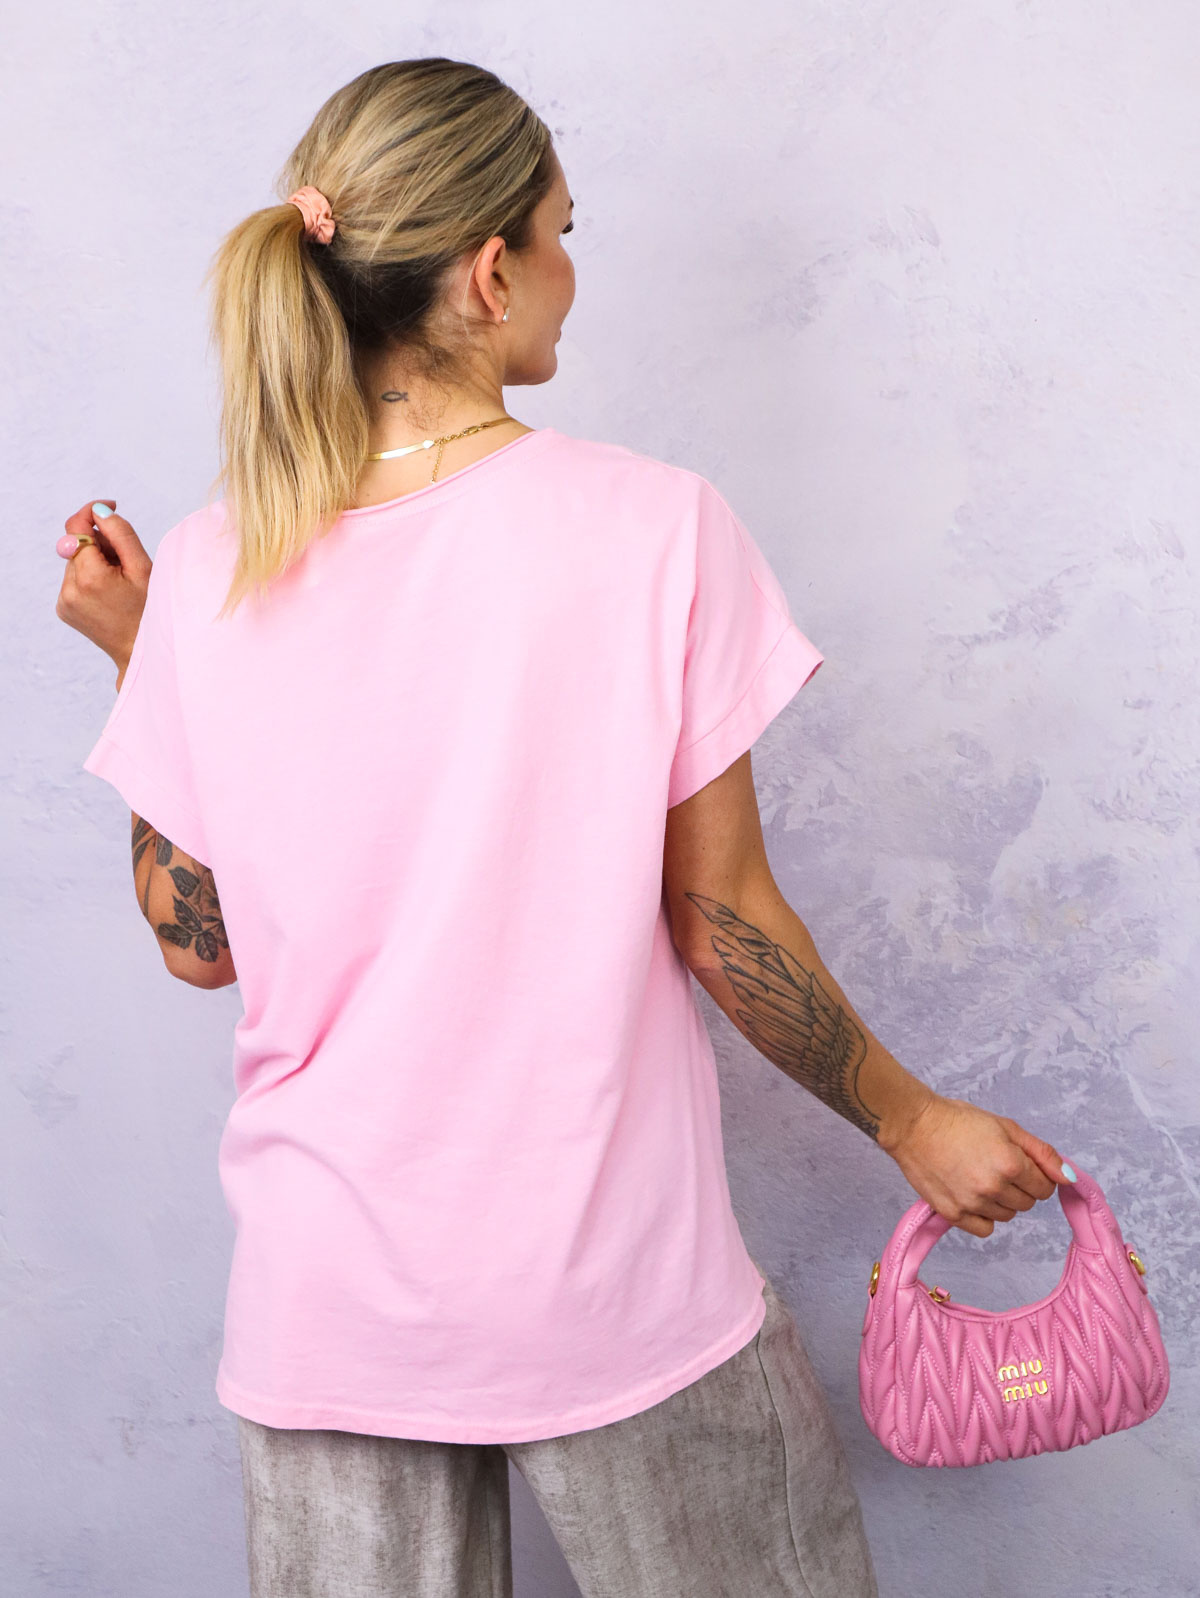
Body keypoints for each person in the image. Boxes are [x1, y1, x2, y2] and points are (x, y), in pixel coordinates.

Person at [56, 56, 1075, 1598]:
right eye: (562, 234)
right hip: (611, 1284)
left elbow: (201, 947)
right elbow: (722, 915)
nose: (568, 273)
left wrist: (149, 662)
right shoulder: (654, 529)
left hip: (327, 1307)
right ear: (489, 273)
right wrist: (912, 1118)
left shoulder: (207, 569)